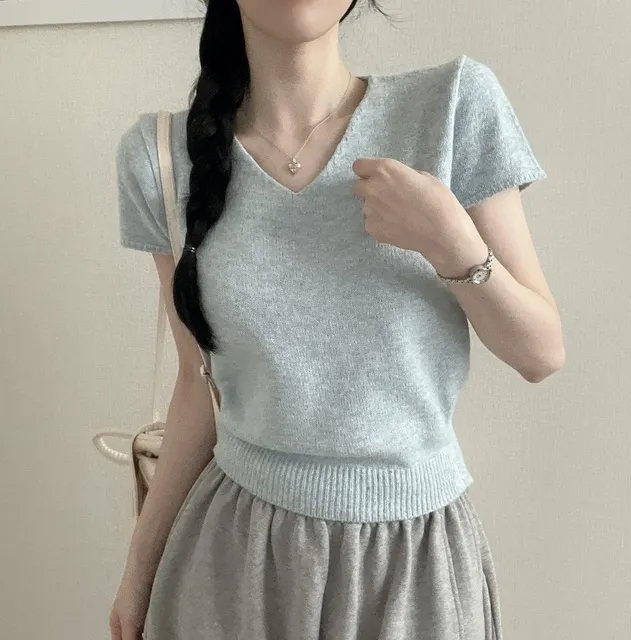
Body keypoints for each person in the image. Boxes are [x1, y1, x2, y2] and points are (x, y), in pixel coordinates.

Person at [110, 0, 565, 638]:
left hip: (414, 568)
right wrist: (137, 577)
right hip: (235, 561)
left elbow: (540, 353)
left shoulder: (453, 106)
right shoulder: (160, 157)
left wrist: (454, 245)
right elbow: (196, 385)